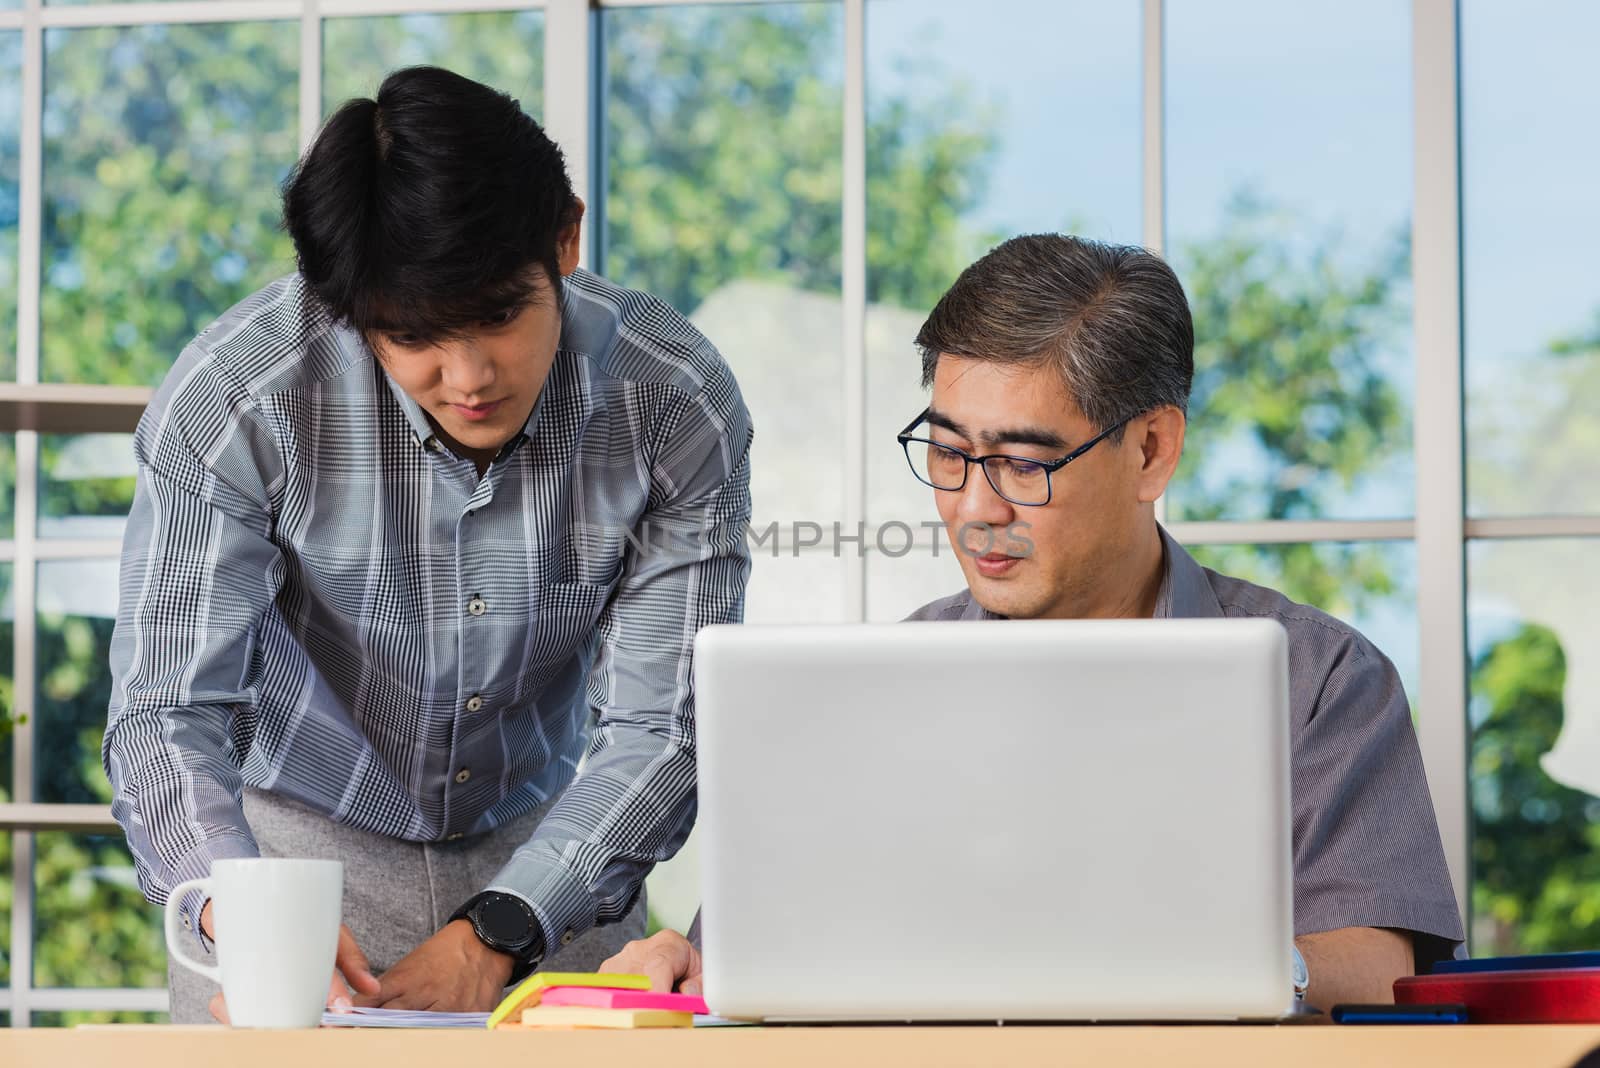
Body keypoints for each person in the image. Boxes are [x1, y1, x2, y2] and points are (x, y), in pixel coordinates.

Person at [600, 234, 1462, 1013]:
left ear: (1153, 450)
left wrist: (1248, 969)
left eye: (1021, 462)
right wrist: (682, 959)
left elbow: (1377, 961)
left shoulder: (1319, 678)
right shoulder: (869, 694)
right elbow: (751, 950)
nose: (974, 507)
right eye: (945, 452)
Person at [103, 66, 752, 1023]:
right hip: (287, 861)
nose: (469, 376)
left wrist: (502, 928)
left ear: (565, 238)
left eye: (498, 314)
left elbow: (661, 728)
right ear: (348, 311)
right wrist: (235, 908)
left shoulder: (674, 403)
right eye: (412, 337)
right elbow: (166, 711)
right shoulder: (238, 398)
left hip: (559, 860)